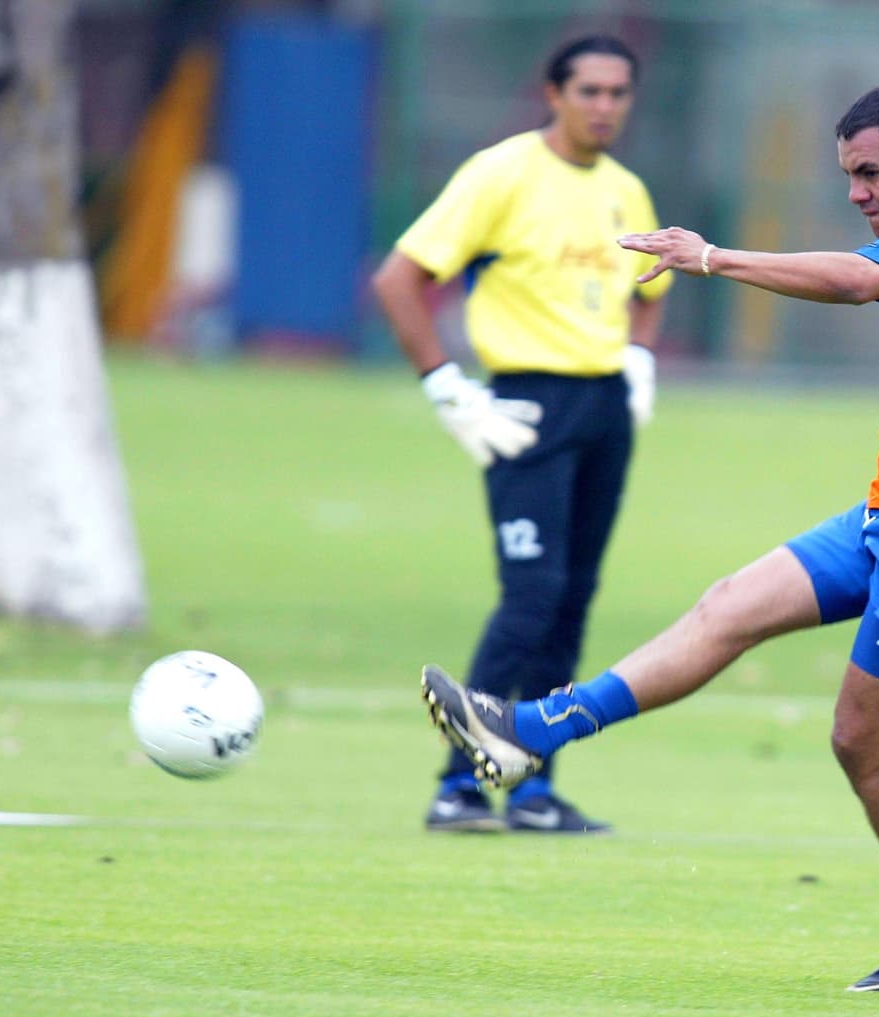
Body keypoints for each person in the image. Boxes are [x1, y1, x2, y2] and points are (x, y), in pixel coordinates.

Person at [418, 81, 879, 992]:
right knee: (728, 606)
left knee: (862, 739)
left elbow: (851, 281)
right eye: (847, 174)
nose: (857, 192)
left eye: (870, 173)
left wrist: (712, 258)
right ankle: (529, 733)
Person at [372, 35, 672, 834]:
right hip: (526, 409)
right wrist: (446, 387)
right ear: (554, 93)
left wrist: (639, 362)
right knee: (531, 593)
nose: (605, 106)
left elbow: (653, 284)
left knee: (572, 598)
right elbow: (400, 279)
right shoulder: (501, 173)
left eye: (619, 93)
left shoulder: (626, 190)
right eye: (590, 91)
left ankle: (534, 787)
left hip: (605, 409)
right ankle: (458, 785)